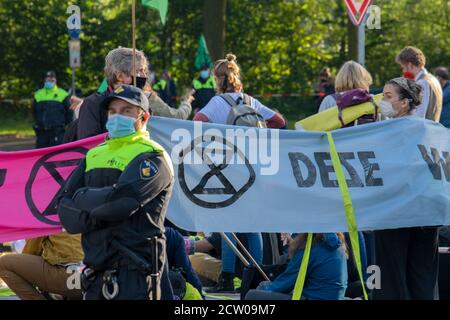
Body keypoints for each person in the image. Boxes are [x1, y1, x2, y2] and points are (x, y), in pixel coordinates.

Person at [57, 85, 174, 300]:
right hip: (95, 272)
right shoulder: (93, 155)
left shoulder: (154, 156)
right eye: (112, 111)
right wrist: (105, 208)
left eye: (126, 111)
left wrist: (83, 198)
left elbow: (120, 204)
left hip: (136, 274)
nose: (117, 116)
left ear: (144, 117)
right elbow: (64, 208)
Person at [193, 54, 285, 292]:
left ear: (217, 79)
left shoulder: (217, 103)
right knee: (252, 224)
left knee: (228, 224)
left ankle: (227, 278)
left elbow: (197, 120)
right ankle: (255, 278)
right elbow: (279, 121)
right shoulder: (250, 101)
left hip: (227, 167)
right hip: (253, 167)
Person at [373, 77, 440, 300]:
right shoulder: (431, 129)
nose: (381, 100)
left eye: (388, 96)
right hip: (426, 213)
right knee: (423, 277)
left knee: (392, 278)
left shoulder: (385, 132)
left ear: (404, 103)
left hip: (395, 213)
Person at [245, 233, 348, 300]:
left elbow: (285, 284)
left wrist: (264, 287)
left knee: (252, 295)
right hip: (331, 296)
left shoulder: (311, 248)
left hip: (312, 297)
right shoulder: (338, 246)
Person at [0, 233, 83, 300]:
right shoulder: (86, 214)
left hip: (72, 278)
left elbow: (30, 251)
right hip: (91, 280)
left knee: (4, 263)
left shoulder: (47, 215)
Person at [395, 46, 443, 121]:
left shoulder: (422, 83)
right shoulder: (433, 79)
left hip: (424, 131)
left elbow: (418, 116)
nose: (403, 71)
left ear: (410, 65)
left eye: (403, 67)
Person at [32, 71, 74, 148]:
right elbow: (34, 112)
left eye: (52, 80)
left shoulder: (63, 94)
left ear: (55, 81)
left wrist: (64, 126)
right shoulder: (38, 94)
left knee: (56, 155)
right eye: (48, 80)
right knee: (40, 155)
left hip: (57, 132)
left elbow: (69, 113)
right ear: (44, 81)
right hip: (42, 132)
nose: (49, 82)